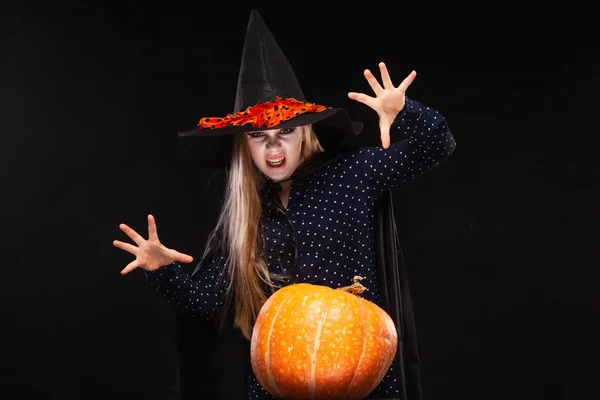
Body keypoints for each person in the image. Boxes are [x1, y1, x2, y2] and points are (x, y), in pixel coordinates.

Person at [113, 9, 456, 400]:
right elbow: (205, 306)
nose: (274, 147)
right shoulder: (246, 216)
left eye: (286, 132)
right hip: (277, 381)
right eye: (259, 136)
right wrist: (162, 270)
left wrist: (403, 112)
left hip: (358, 375)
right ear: (245, 145)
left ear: (305, 133)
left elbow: (437, 145)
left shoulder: (353, 173)